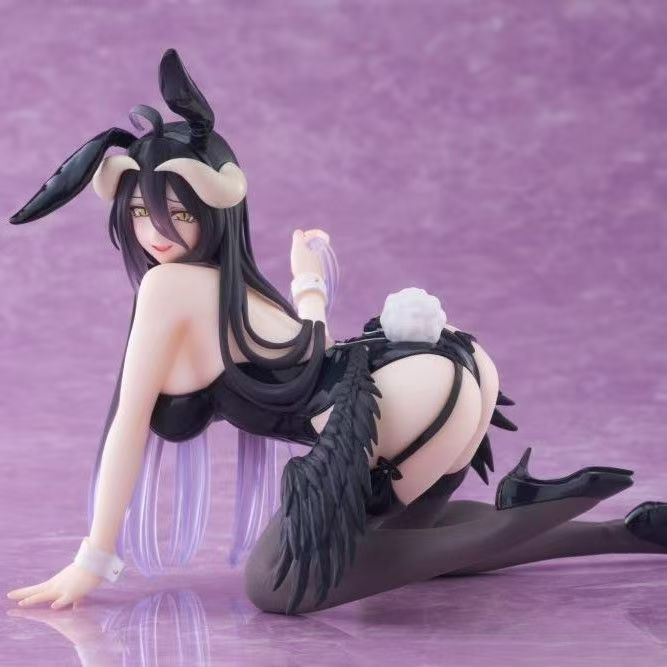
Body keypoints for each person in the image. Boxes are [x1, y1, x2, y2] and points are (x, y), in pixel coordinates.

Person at [6, 48, 667, 616]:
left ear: (216, 210)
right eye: (141, 212)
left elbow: (129, 421)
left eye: (178, 212)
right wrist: (308, 286)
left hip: (387, 409)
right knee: (401, 550)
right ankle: (617, 531)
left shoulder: (170, 288)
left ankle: (555, 502)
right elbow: (311, 351)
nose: (156, 231)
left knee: (277, 583)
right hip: (437, 377)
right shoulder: (237, 291)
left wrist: (93, 558)